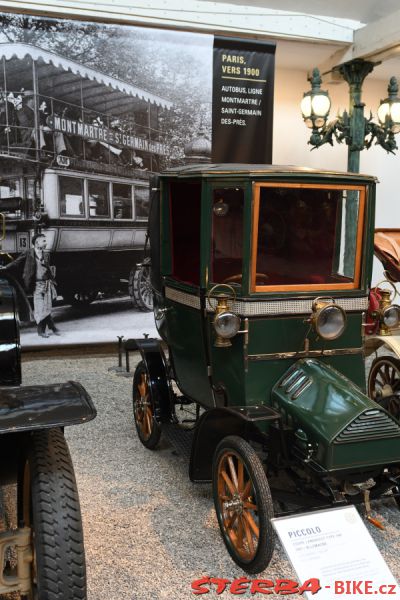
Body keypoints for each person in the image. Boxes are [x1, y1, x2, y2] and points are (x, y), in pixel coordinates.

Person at [3, 233, 60, 338]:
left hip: (46, 284)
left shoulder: (45, 254)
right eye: (43, 241)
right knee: (39, 307)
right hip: (36, 284)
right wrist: (5, 268)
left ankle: (52, 327)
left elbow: (48, 269)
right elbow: (17, 262)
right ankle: (42, 331)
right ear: (37, 242)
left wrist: (52, 280)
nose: (46, 243)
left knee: (46, 307)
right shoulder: (29, 253)